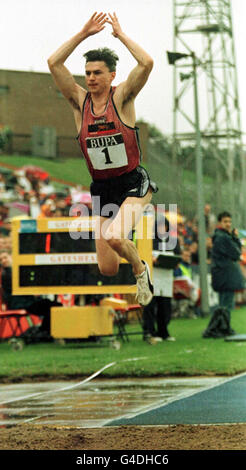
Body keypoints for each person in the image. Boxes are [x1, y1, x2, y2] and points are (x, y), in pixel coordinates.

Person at [47, 12, 157, 306]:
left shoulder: (122, 99)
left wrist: (120, 35)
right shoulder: (78, 103)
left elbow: (146, 63)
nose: (91, 77)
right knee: (107, 268)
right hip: (102, 187)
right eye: (88, 73)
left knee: (113, 236)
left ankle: (140, 270)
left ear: (112, 76)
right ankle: (131, 251)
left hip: (133, 181)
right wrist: (83, 33)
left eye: (98, 72)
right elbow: (53, 64)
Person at [0, 251, 62, 337]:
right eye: (1, 259)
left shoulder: (16, 270)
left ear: (11, 257)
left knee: (53, 305)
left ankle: (44, 331)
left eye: (5, 258)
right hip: (20, 303)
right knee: (52, 307)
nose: (3, 261)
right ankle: (44, 332)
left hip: (27, 301)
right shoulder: (7, 273)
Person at [142, 215, 181, 343]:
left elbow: (178, 257)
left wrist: (175, 263)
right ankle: (150, 331)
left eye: (164, 226)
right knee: (150, 306)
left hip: (166, 278)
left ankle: (164, 331)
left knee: (165, 307)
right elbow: (142, 257)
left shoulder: (173, 242)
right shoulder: (149, 240)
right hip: (152, 277)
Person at [211, 211, 245, 322]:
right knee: (226, 304)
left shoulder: (219, 236)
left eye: (229, 221)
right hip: (225, 275)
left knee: (224, 303)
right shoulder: (223, 237)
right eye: (225, 221)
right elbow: (236, 253)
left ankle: (222, 326)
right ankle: (224, 327)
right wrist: (235, 238)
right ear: (219, 222)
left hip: (223, 274)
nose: (228, 224)